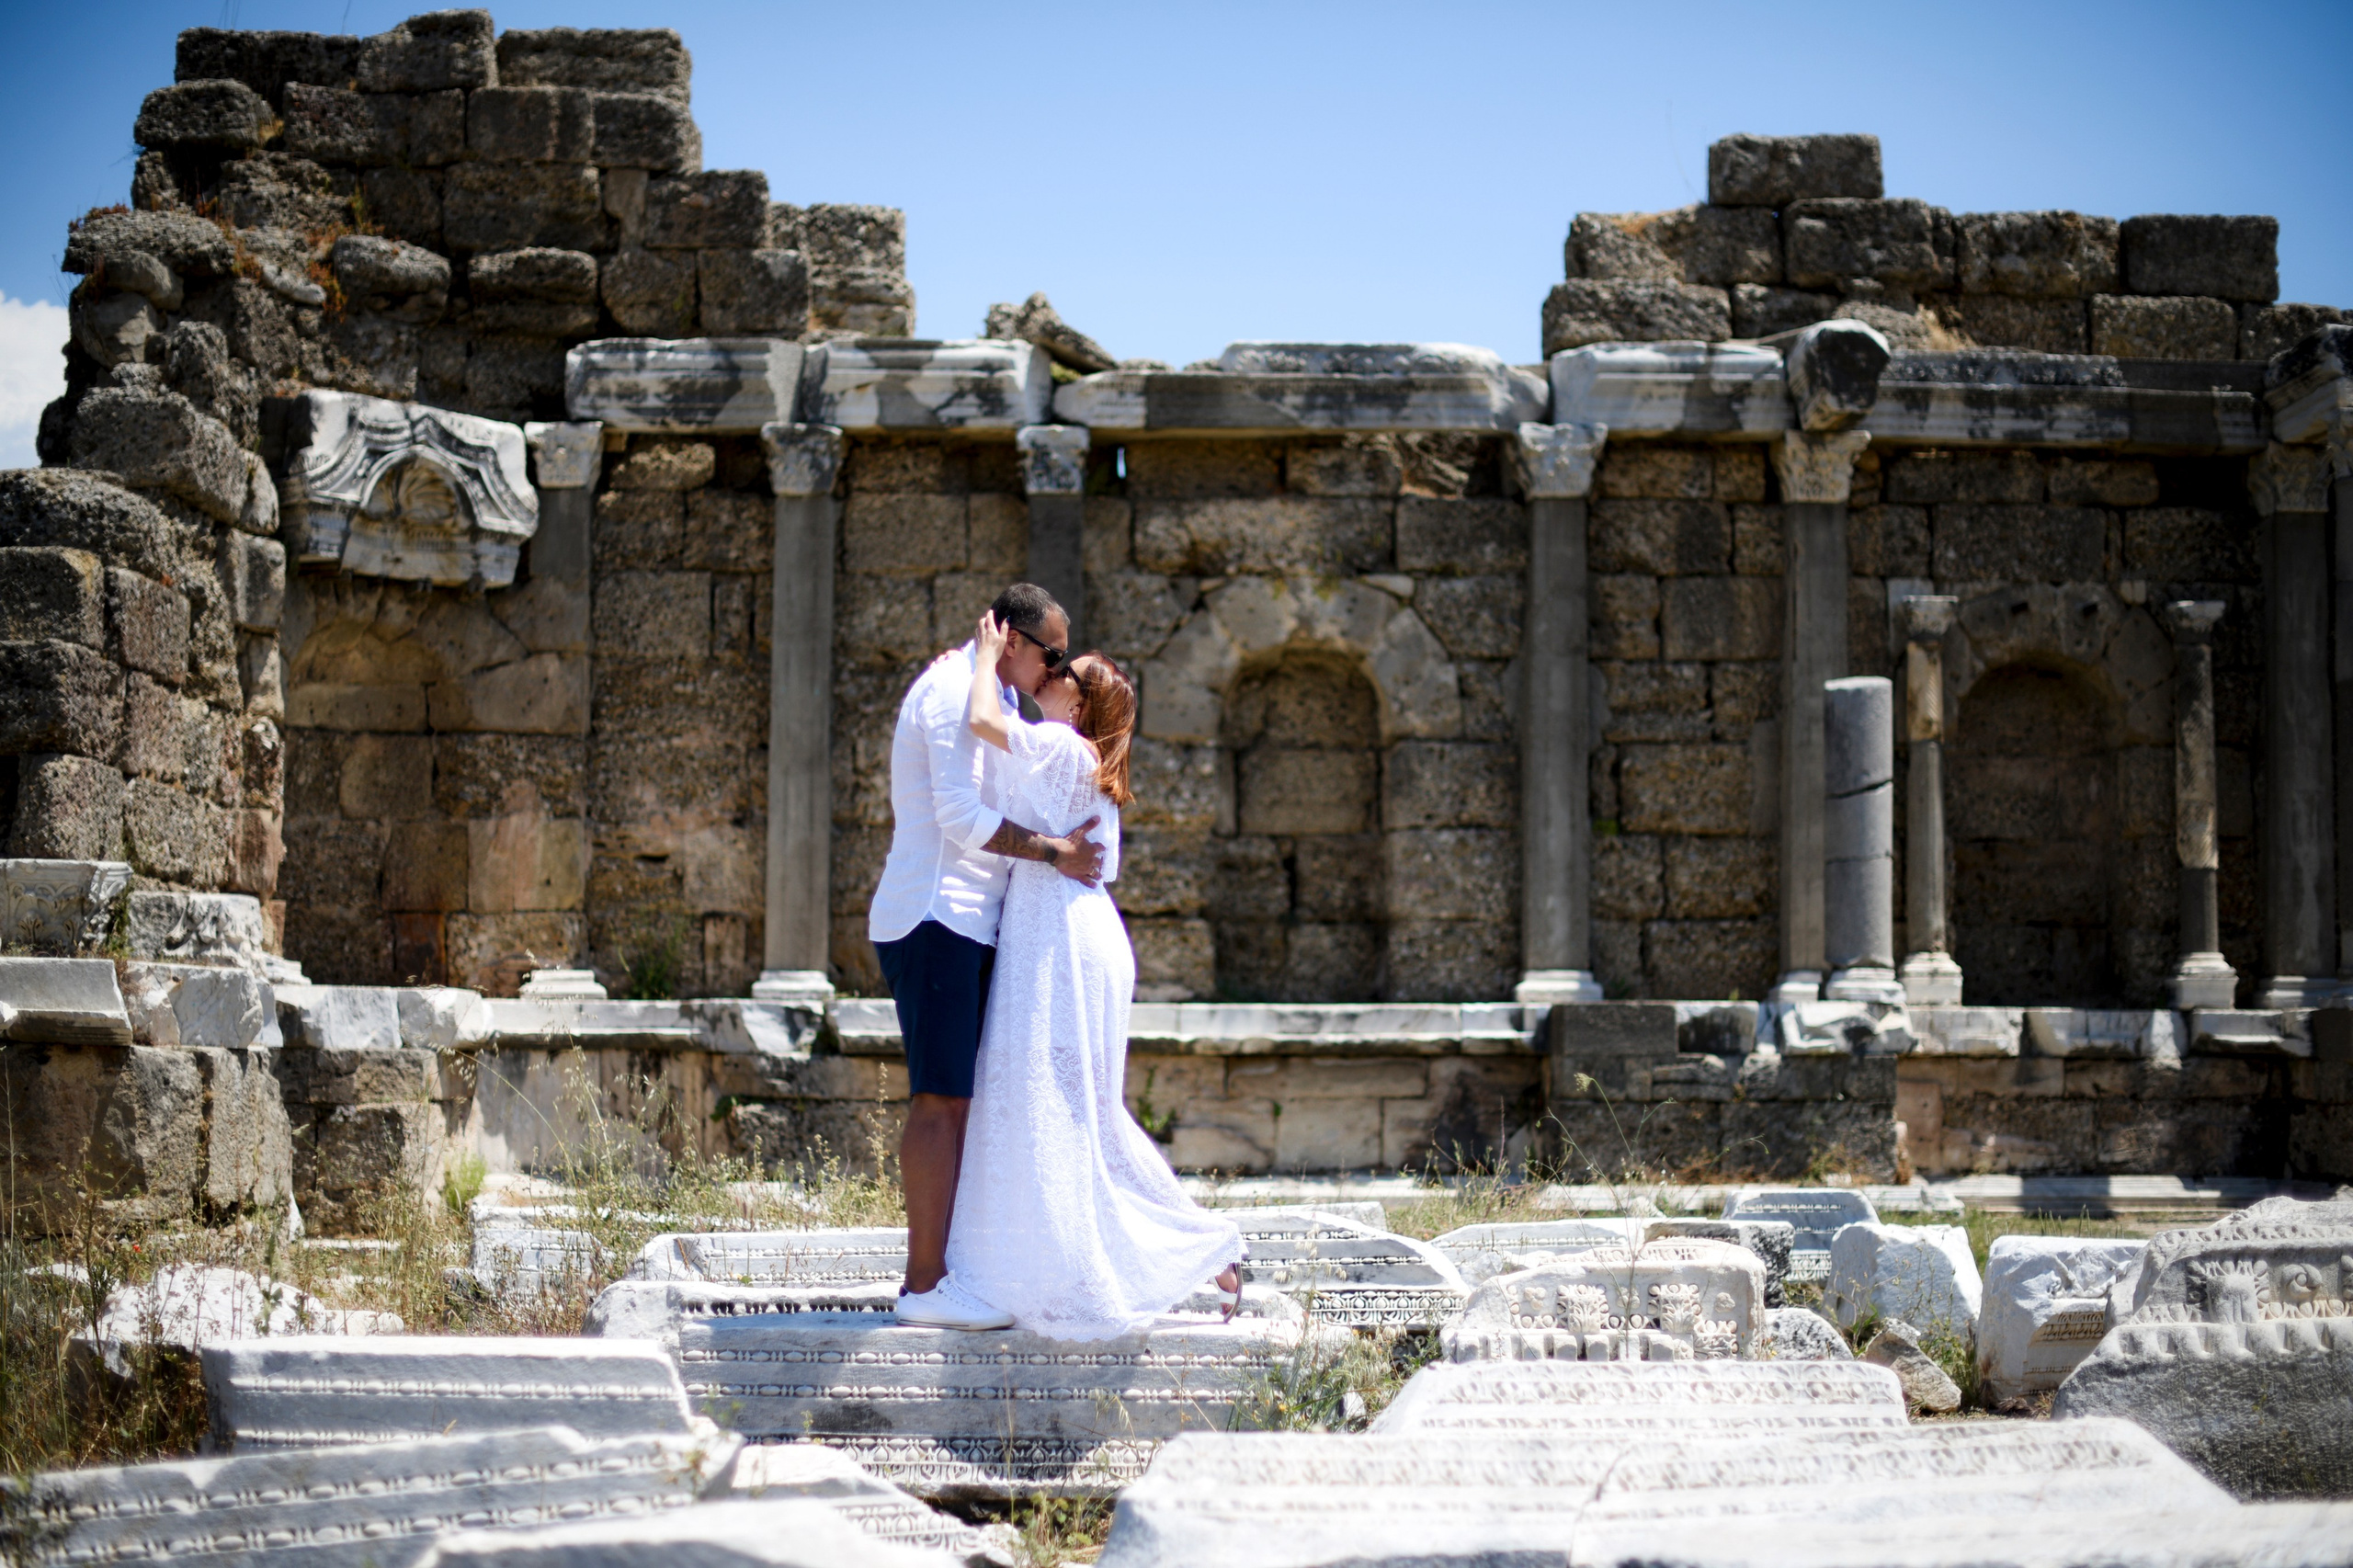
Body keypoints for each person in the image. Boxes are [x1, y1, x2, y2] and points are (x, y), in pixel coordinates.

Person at [941, 609, 1245, 1339]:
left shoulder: (1062, 748)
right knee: (1078, 1109)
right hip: (1060, 935)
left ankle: (1202, 1248)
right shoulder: (1073, 759)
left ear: (1078, 703)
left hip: (1064, 945)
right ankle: (1203, 1252)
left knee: (1075, 1107)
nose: (1052, 670)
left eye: (1065, 672)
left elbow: (985, 721)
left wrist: (986, 657)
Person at [872, 584, 1104, 1331]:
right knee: (940, 1098)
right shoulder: (949, 693)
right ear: (1012, 640)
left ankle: (955, 1275)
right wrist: (1054, 854)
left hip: (977, 924)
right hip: (936, 914)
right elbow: (960, 817)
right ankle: (923, 1290)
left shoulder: (996, 700)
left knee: (969, 1102)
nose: (1057, 668)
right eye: (1052, 652)